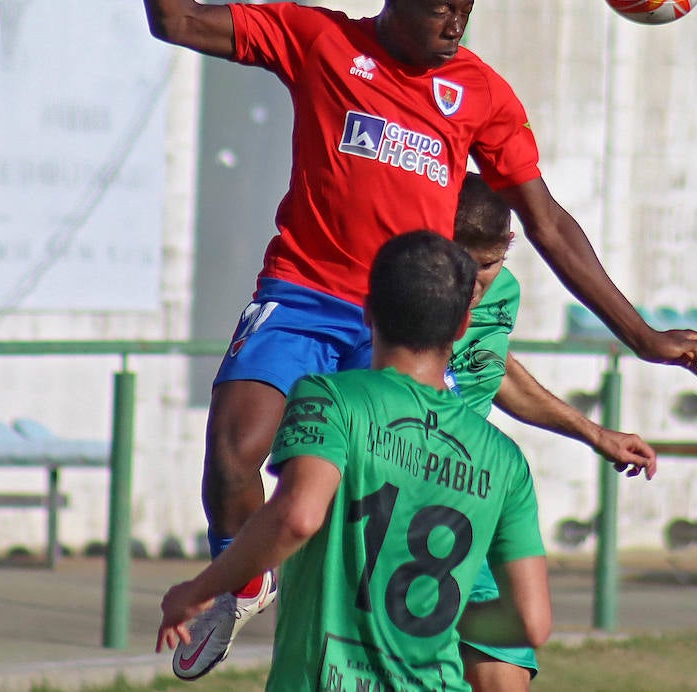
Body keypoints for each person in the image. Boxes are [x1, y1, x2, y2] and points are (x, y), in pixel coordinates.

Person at [119, 0, 697, 679]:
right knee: (232, 453)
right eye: (440, 8)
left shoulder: (479, 92)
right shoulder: (320, 42)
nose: (454, 24)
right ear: (393, 0)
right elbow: (175, 19)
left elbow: (547, 223)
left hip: (400, 325)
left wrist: (643, 335)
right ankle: (244, 583)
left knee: (388, 517)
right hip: (300, 291)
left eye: (465, 9)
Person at [156, 230, 551, 690]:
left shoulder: (328, 398)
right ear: (464, 325)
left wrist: (198, 590)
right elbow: (532, 621)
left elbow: (298, 518)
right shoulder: (504, 460)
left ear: (368, 311)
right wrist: (426, 623)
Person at [450, 172, 656, 691]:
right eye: (465, 266)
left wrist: (593, 433)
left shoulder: (502, 296)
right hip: (409, 500)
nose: (476, 284)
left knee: (508, 658)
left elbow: (491, 368)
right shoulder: (408, 295)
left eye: (490, 266)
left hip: (479, 496)